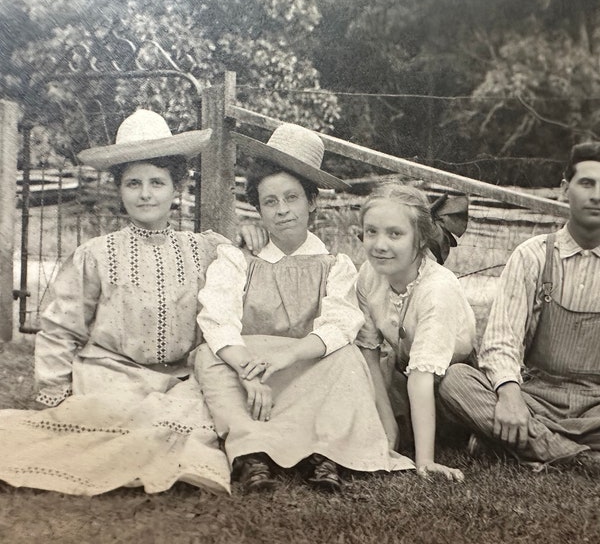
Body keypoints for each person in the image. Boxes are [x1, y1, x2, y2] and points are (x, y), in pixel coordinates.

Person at [0, 109, 233, 495]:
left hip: (180, 379)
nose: (145, 194)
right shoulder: (97, 254)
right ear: (119, 189)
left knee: (189, 420)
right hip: (111, 374)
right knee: (111, 423)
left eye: (157, 182)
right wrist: (55, 390)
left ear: (177, 188)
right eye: (133, 183)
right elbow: (62, 326)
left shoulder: (204, 251)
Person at [197, 123, 414, 493]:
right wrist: (248, 371)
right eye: (270, 201)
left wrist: (287, 357)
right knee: (207, 356)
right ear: (258, 209)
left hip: (303, 366)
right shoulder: (237, 259)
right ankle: (252, 452)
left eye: (292, 198)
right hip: (250, 367)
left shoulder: (335, 265)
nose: (282, 211)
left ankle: (325, 452)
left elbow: (338, 324)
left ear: (312, 201)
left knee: (345, 358)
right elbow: (218, 319)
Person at [439, 141, 600, 471]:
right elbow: (500, 342)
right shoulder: (534, 256)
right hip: (536, 398)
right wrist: (510, 397)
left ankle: (512, 443)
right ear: (564, 189)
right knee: (455, 380)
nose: (597, 195)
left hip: (595, 407)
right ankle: (580, 458)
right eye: (587, 183)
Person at [355, 184, 475, 482]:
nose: (380, 245)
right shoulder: (369, 276)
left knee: (452, 386)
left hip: (448, 384)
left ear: (420, 238)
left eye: (395, 234)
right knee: (352, 368)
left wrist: (425, 462)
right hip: (402, 376)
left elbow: (423, 377)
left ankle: (474, 433)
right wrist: (387, 425)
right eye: (372, 232)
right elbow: (369, 354)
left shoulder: (438, 289)